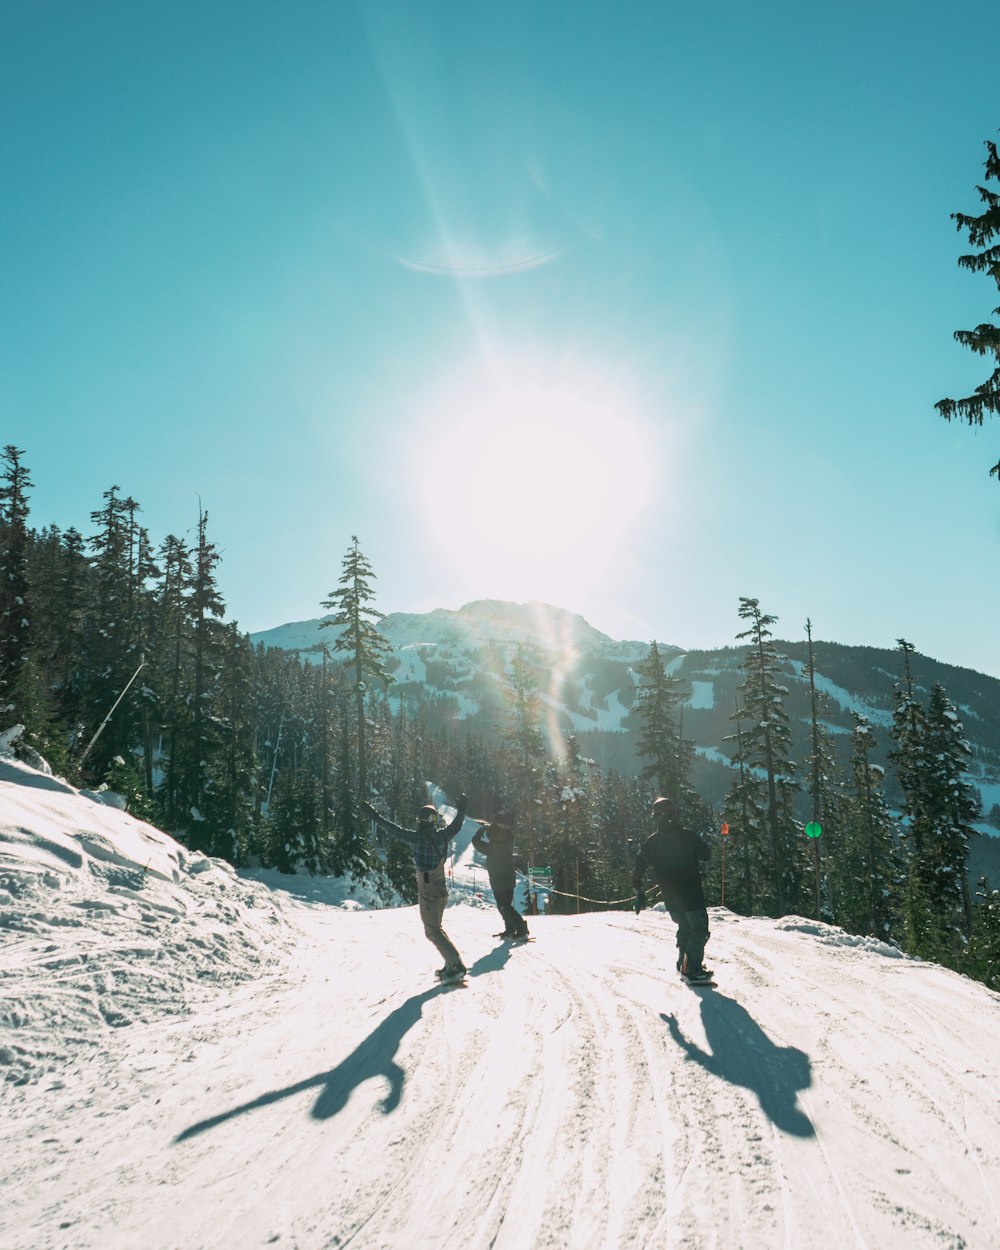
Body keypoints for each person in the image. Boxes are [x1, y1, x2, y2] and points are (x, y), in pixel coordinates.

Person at [363, 793, 468, 983]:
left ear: (420, 821)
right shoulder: (442, 836)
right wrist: (462, 810)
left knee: (432, 931)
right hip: (441, 890)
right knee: (437, 928)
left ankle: (456, 965)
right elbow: (457, 825)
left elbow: (393, 830)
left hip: (429, 893)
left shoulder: (417, 839)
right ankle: (451, 960)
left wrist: (375, 817)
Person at [632, 796, 713, 983]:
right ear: (674, 815)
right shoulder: (688, 836)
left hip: (670, 897)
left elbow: (639, 868)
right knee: (699, 928)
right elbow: (706, 855)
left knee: (684, 927)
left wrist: (638, 891)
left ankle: (682, 964)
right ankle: (691, 968)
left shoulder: (652, 842)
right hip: (691, 894)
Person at [471, 813, 529, 940]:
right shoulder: (508, 843)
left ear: (490, 835)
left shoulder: (490, 847)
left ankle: (521, 928)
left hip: (498, 883)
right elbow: (510, 834)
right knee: (505, 906)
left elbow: (475, 842)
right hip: (509, 881)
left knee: (504, 907)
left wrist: (481, 831)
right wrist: (502, 829)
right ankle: (510, 929)